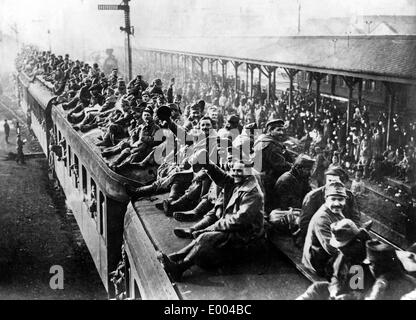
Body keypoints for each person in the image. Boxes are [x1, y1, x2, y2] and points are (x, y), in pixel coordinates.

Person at [157, 152, 265, 281]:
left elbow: (239, 220)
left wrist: (213, 227)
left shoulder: (253, 194)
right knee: (203, 236)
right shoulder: (241, 181)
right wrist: (207, 164)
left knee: (207, 238)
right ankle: (174, 257)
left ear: (247, 172)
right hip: (236, 229)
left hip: (247, 236)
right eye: (234, 170)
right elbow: (223, 178)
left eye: (238, 171)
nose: (235, 173)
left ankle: (179, 268)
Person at [297, 219, 373, 300]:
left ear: (354, 242)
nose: (340, 249)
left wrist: (343, 295)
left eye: (343, 246)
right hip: (340, 289)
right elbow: (335, 275)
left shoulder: (360, 262)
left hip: (350, 295)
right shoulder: (344, 255)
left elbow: (357, 293)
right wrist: (334, 288)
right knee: (317, 287)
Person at [297, 166, 361, 245]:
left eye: (334, 181)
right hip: (320, 240)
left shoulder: (349, 196)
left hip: (343, 237)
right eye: (329, 180)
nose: (331, 184)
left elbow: (355, 218)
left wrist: (353, 234)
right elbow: (304, 223)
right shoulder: (313, 197)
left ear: (342, 183)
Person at [302, 182, 349, 278]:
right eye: (333, 199)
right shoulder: (322, 218)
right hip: (317, 259)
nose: (337, 203)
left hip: (326, 252)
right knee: (354, 268)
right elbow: (331, 248)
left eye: (340, 199)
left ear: (345, 200)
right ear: (326, 200)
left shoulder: (336, 211)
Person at [253, 118, 293, 213]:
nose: (281, 133)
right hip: (269, 181)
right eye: (278, 130)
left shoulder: (264, 140)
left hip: (263, 177)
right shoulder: (270, 145)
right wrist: (293, 166)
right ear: (270, 131)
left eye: (282, 130)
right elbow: (281, 165)